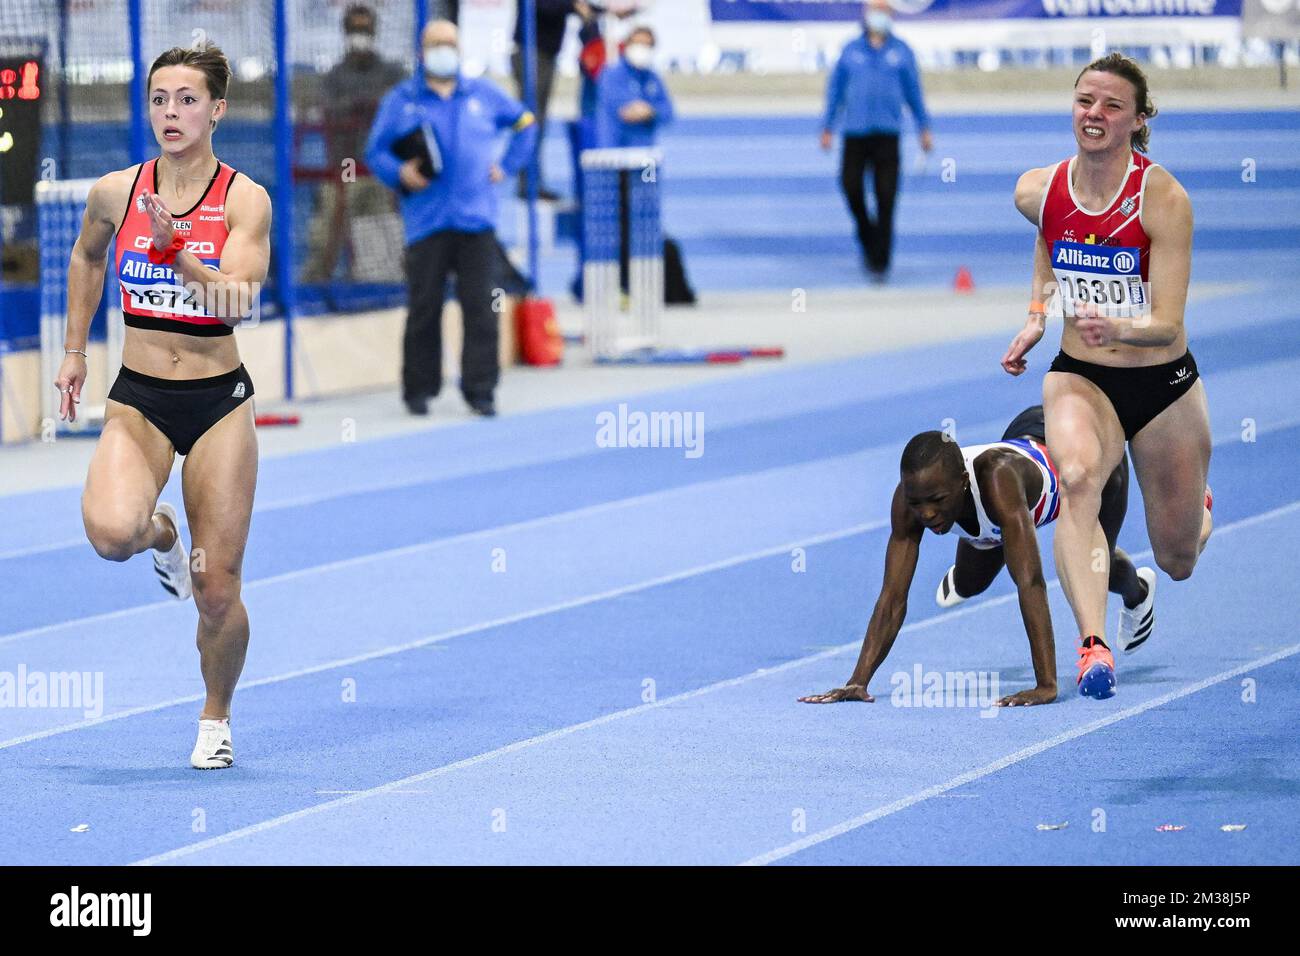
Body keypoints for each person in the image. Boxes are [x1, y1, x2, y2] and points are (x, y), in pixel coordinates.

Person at [53, 43, 270, 768]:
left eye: (185, 99)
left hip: (216, 402)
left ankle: (216, 714)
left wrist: (178, 254)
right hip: (140, 396)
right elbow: (86, 257)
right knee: (114, 533)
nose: (170, 113)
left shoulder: (244, 199)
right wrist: (76, 350)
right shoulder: (117, 190)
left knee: (216, 594)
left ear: (217, 110)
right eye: (158, 99)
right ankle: (163, 535)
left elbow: (237, 302)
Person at [1002, 53, 1213, 700]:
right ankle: (1094, 645)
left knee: (1176, 557)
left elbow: (1170, 326)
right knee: (1076, 480)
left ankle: (1197, 511)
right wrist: (1040, 316)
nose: (1094, 114)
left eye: (1111, 105)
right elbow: (1051, 239)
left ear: (1137, 120)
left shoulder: (1164, 199)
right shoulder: (1038, 188)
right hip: (1081, 376)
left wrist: (1117, 327)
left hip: (1160, 380)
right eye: (1084, 101)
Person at [799, 406, 1154, 708]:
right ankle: (967, 571)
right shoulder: (909, 501)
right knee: (971, 583)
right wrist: (858, 681)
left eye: (937, 501)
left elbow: (1029, 581)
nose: (926, 515)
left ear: (963, 483)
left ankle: (1137, 590)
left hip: (1085, 458)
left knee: (1094, 567)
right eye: (917, 503)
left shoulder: (999, 484)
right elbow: (893, 597)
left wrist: (1046, 684)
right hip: (1025, 436)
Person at [366, 19, 538, 418]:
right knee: (424, 306)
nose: (443, 50)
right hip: (426, 221)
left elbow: (525, 124)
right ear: (423, 52)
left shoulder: (482, 94)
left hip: (476, 220)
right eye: (435, 44)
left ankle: (481, 390)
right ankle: (419, 389)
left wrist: (508, 164)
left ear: (459, 49)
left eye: (450, 43)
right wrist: (400, 173)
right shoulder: (402, 99)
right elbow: (376, 151)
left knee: (481, 307)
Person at [820, 0, 932, 281]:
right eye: (874, 9)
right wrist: (827, 125)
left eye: (884, 10)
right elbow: (835, 90)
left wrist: (924, 127)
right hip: (855, 134)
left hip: (887, 136)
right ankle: (866, 233)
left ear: (891, 14)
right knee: (851, 187)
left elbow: (914, 92)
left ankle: (880, 260)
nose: (879, 15)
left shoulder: (901, 52)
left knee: (886, 197)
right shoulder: (850, 50)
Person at [302, 3, 406, 284]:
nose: (359, 36)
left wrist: (368, 106)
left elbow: (396, 106)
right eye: (354, 30)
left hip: (380, 172)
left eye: (365, 30)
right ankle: (313, 289)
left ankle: (377, 292)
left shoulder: (391, 73)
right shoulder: (334, 76)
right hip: (342, 169)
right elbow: (327, 106)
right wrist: (360, 105)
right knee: (324, 234)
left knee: (380, 242)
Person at [594, 26, 694, 304]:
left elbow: (667, 111)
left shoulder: (652, 78)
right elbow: (621, 112)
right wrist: (642, 110)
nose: (642, 50)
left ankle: (649, 287)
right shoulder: (612, 76)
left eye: (648, 45)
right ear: (627, 45)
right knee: (619, 226)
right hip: (617, 163)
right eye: (638, 43)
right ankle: (621, 288)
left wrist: (650, 110)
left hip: (646, 163)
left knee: (647, 223)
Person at [511, 1, 593, 200]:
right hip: (532, 52)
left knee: (537, 121)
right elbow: (543, 6)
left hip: (544, 52)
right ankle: (528, 183)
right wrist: (574, 7)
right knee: (531, 120)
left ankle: (532, 182)